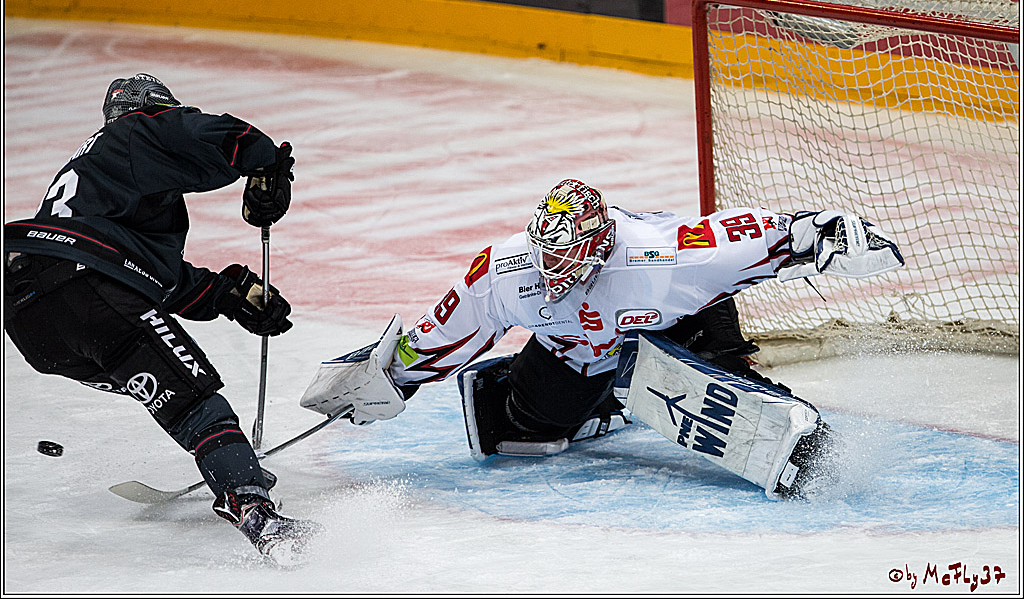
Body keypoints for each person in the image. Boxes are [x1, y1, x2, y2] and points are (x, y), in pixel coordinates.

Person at [301, 178, 904, 498]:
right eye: (546, 257)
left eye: (568, 259)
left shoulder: (663, 260)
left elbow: (751, 234)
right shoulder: (506, 271)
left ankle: (759, 413)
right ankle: (613, 391)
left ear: (597, 245)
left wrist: (818, 234)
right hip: (580, 351)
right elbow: (448, 330)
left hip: (683, 328)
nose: (552, 274)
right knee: (518, 429)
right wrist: (390, 377)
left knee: (680, 368)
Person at [3, 73, 317, 565]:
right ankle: (254, 510)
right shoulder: (133, 131)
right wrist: (265, 161)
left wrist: (229, 295)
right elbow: (212, 136)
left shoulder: (103, 181)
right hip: (88, 289)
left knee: (164, 381)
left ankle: (224, 458)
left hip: (35, 323)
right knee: (195, 405)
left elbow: (150, 279)